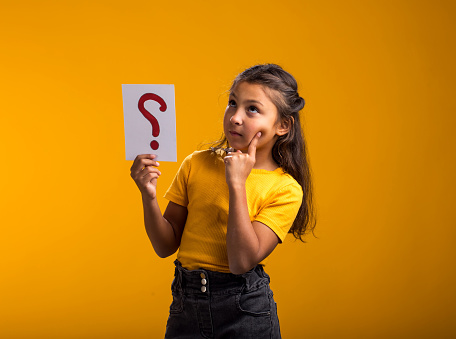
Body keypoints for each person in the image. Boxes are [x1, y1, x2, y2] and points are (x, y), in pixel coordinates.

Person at [130, 64, 316, 338]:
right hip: (186, 305)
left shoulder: (286, 189)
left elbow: (241, 262)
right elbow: (164, 245)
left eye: (252, 109)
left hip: (244, 312)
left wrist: (237, 183)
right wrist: (148, 195)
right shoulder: (197, 163)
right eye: (232, 103)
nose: (235, 117)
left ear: (282, 125)